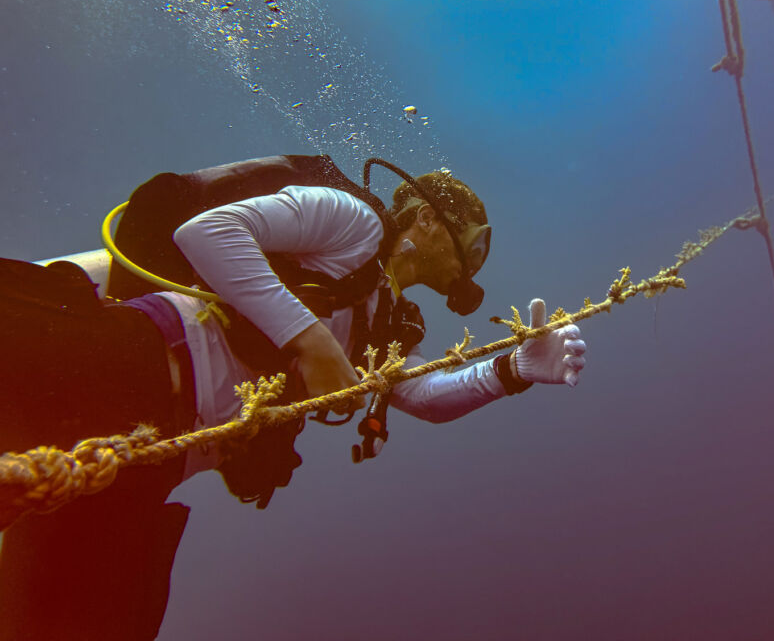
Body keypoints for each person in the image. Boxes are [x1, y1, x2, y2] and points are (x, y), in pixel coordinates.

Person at [0, 158, 587, 641]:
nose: (475, 262)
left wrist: (511, 371)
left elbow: (421, 396)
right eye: (474, 242)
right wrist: (309, 340)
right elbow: (206, 232)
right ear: (429, 220)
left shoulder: (384, 323)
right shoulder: (352, 221)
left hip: (156, 461)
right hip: (135, 360)